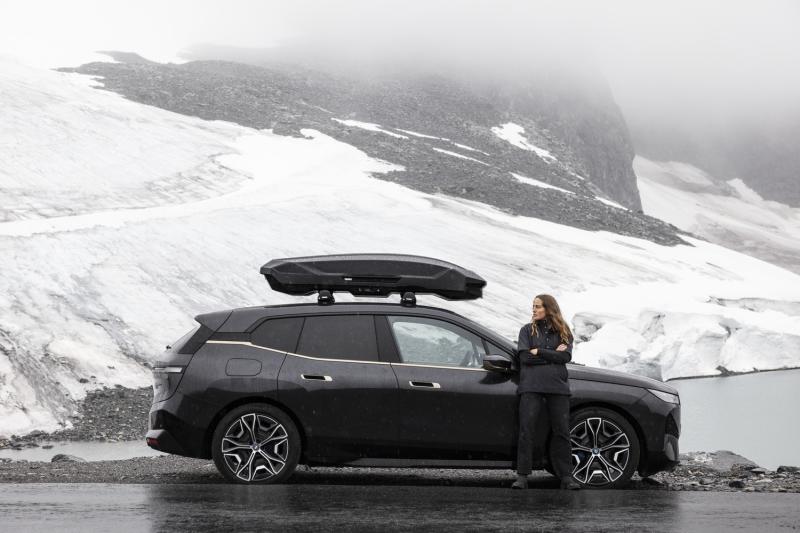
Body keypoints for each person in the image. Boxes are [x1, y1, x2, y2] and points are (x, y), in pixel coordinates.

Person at [511, 294, 580, 490]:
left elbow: (565, 357)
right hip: (531, 386)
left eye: (538, 306)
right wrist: (553, 354)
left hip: (557, 387)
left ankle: (566, 477)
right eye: (533, 306)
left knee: (562, 432)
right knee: (526, 430)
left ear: (549, 308)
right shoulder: (526, 330)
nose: (534, 310)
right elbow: (525, 358)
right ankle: (522, 477)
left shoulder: (564, 331)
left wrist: (539, 351)